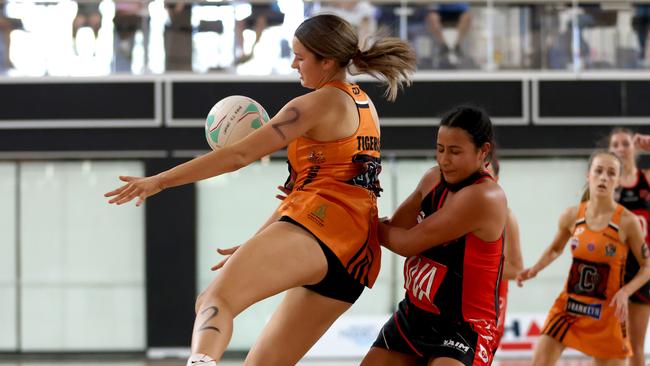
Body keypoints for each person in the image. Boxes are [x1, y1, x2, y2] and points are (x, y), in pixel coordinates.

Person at [105, 14, 416, 366]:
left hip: (323, 229)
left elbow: (238, 155)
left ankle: (200, 362)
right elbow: (316, 188)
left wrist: (159, 180)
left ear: (326, 61)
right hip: (356, 259)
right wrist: (260, 240)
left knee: (213, 301)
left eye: (300, 57)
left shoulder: (315, 103)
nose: (293, 64)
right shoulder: (366, 107)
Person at [361, 106, 508, 366]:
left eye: (454, 152)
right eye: (440, 149)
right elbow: (397, 226)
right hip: (414, 315)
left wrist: (361, 215)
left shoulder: (484, 197)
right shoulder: (432, 178)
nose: (443, 160)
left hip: (464, 328)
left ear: (483, 151)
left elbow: (405, 242)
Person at [516, 151, 650, 366]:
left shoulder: (627, 221)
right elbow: (554, 249)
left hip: (606, 315)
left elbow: (647, 267)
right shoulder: (572, 215)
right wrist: (534, 269)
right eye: (598, 171)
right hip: (570, 308)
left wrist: (626, 292)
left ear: (618, 181)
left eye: (611, 173)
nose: (604, 177)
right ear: (589, 175)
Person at [608, 129, 650, 366]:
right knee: (611, 344)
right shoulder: (605, 183)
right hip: (613, 267)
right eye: (615, 144)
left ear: (634, 148)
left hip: (642, 268)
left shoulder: (646, 179)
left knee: (636, 346)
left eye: (625, 143)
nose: (621, 147)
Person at [485, 159, 524, 348]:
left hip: (489, 299)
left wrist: (473, 266)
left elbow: (516, 268)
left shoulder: (506, 216)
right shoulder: (454, 207)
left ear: (496, 179)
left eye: (487, 174)